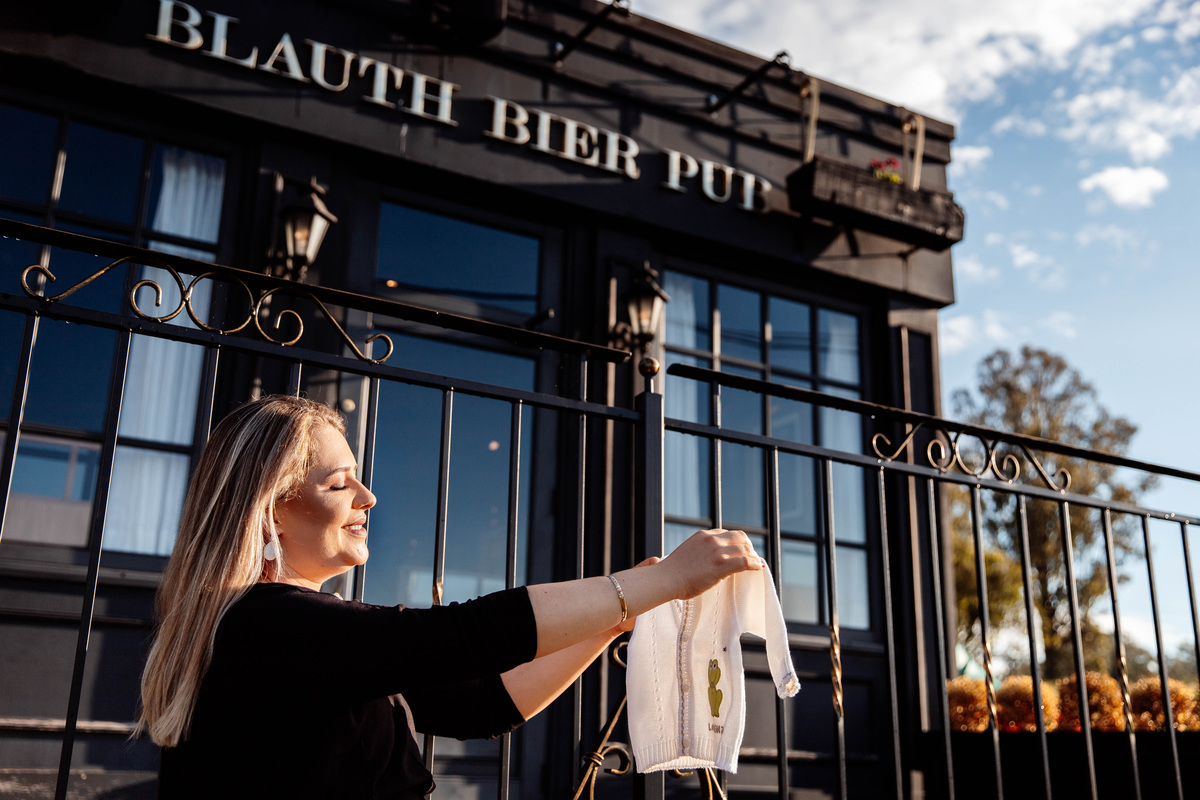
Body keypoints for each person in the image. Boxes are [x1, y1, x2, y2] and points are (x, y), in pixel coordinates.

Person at [138, 394, 763, 798]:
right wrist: (660, 582)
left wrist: (608, 624)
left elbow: (482, 706)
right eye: (339, 483)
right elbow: (464, 637)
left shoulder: (300, 636)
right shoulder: (264, 626)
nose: (367, 498)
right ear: (270, 510)